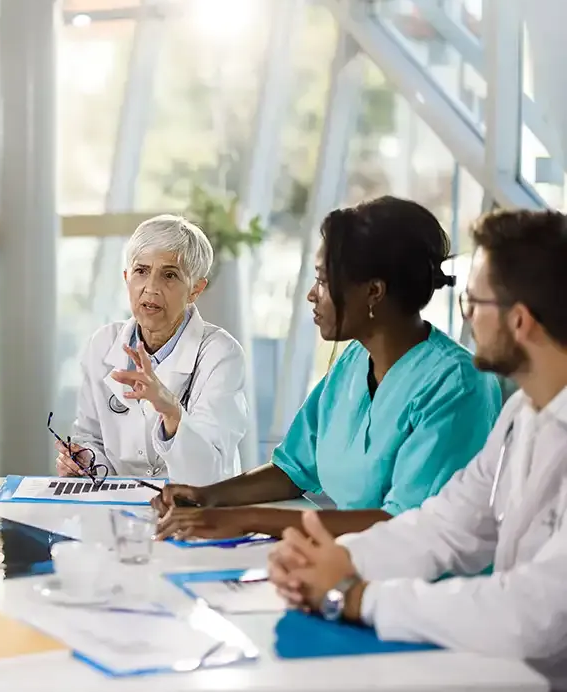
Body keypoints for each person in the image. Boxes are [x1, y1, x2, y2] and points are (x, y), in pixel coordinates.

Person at [266, 209, 567, 688]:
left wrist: (357, 596)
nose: (465, 317)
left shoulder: (466, 385)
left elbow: (534, 612)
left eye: (474, 302)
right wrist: (342, 561)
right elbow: (444, 527)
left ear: (519, 321)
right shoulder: (522, 417)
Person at [154, 197, 502, 539]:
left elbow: (405, 526)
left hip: (426, 587)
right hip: (352, 565)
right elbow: (293, 469)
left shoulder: (456, 385)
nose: (311, 294)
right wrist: (208, 497)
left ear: (374, 291)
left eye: (322, 280)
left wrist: (246, 520)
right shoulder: (353, 362)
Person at [58, 214, 250, 484]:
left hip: (196, 512)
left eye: (169, 275)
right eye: (141, 271)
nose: (151, 288)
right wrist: (85, 461)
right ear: (127, 278)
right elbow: (91, 438)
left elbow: (210, 474)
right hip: (119, 510)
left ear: (196, 289)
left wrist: (169, 408)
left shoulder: (221, 354)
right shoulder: (103, 344)